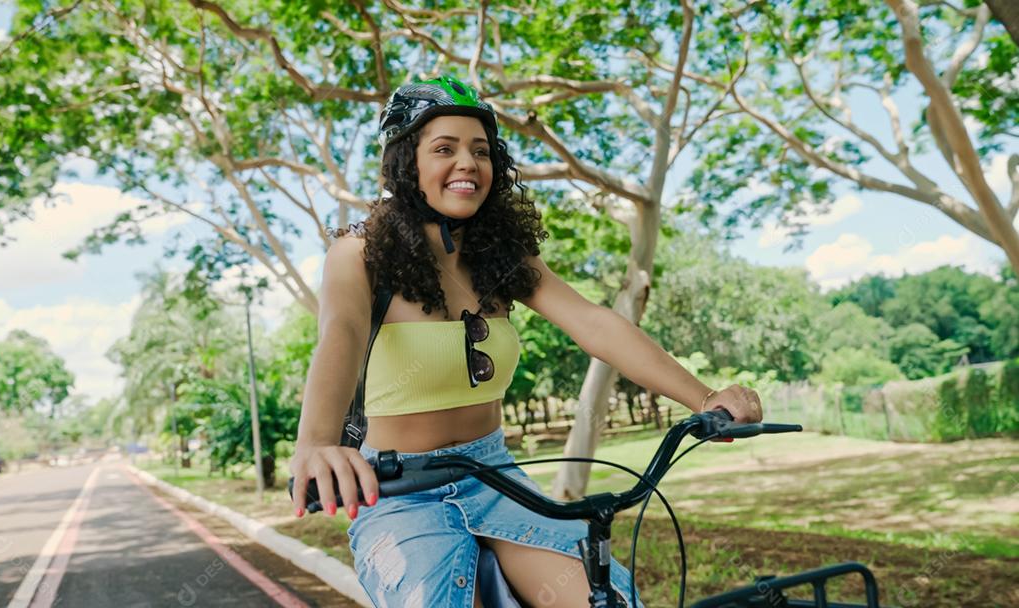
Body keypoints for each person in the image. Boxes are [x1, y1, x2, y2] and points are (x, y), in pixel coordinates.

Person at [289, 74, 763, 608]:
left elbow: (594, 323)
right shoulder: (359, 255)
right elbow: (343, 333)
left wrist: (704, 399)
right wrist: (316, 443)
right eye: (444, 148)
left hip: (496, 475)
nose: (468, 162)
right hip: (399, 491)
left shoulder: (500, 255)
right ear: (406, 164)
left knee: (603, 597)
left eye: (481, 150)